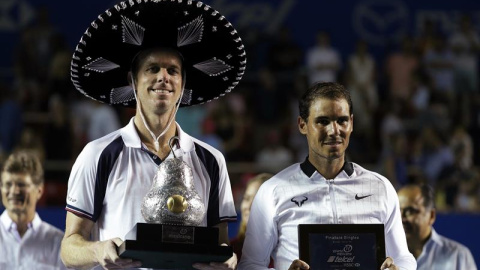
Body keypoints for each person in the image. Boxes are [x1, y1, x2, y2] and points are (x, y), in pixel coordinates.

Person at [60, 1, 246, 269]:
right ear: (132, 80)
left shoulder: (212, 161)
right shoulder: (98, 154)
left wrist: (228, 258)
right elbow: (69, 248)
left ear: (183, 85)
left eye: (173, 71)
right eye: (152, 69)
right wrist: (97, 249)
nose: (163, 77)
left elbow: (219, 244)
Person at [238, 82, 416, 270]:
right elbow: (250, 264)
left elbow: (403, 257)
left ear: (352, 123)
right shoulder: (273, 190)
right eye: (323, 121)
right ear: (302, 125)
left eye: (342, 120)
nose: (334, 131)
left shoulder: (380, 187)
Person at [0, 151, 67, 269]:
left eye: (21, 185)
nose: (14, 191)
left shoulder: (57, 243)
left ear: (39, 191)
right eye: (8, 184)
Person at [397, 183, 477, 270]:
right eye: (397, 211)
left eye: (409, 211)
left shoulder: (457, 255)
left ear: (431, 216)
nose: (401, 218)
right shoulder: (386, 253)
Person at [230, 173, 273, 261]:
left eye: (257, 200)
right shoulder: (230, 251)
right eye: (247, 198)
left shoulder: (288, 253)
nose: (249, 206)